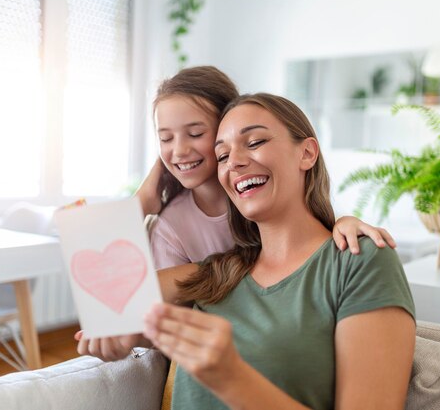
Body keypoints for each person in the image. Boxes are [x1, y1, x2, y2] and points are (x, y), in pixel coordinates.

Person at [80, 93, 416, 410]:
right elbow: (98, 292)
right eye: (222, 156)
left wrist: (231, 377)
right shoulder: (217, 272)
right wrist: (146, 197)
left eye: (254, 142)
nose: (235, 162)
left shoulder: (359, 260)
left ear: (307, 153)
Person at [136, 66, 397, 271]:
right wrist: (142, 202)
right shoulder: (171, 227)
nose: (179, 150)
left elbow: (307, 242)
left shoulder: (266, 198)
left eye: (195, 133)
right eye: (165, 139)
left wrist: (343, 224)